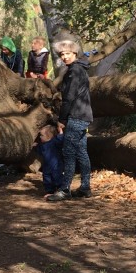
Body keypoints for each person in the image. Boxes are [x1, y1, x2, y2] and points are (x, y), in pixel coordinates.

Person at [46, 40, 93, 202]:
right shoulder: (79, 69)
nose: (65, 57)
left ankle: (65, 189)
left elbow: (69, 97)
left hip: (76, 116)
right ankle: (85, 187)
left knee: (68, 153)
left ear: (75, 54)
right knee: (81, 152)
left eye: (68, 53)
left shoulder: (74, 71)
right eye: (62, 54)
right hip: (84, 116)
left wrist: (62, 119)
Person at [34, 122, 65, 196]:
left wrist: (60, 131)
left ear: (49, 136)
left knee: (57, 177)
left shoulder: (54, 142)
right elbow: (39, 151)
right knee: (47, 178)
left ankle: (61, 189)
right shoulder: (42, 145)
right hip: (46, 166)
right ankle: (50, 191)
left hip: (56, 165)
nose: (40, 137)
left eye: (42, 135)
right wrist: (35, 146)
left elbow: (61, 138)